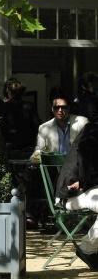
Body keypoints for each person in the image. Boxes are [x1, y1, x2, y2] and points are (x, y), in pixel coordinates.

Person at [55, 96, 98, 269]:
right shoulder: (93, 132)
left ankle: (88, 248)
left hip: (86, 189)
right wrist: (82, 181)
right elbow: (86, 166)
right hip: (70, 194)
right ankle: (87, 249)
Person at [30, 95, 88, 161]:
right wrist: (35, 158)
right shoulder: (44, 128)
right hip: (55, 167)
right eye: (56, 107)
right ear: (52, 109)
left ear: (68, 108)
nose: (60, 110)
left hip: (76, 166)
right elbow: (39, 152)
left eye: (63, 107)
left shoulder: (82, 122)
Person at [1, 78, 40, 152]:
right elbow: (36, 125)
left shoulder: (5, 107)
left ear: (10, 93)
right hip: (27, 145)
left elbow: (2, 127)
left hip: (11, 146)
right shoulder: (30, 106)